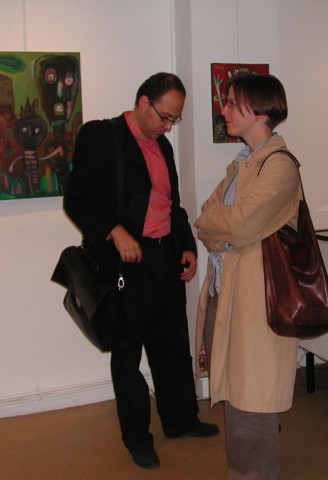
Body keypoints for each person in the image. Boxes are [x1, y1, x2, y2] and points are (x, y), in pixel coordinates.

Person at [63, 72, 219, 470]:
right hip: (126, 264)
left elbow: (172, 204)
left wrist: (186, 246)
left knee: (172, 345)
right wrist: (113, 231)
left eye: (175, 119)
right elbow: (77, 199)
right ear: (143, 103)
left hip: (165, 259)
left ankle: (181, 420)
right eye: (165, 117)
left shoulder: (162, 146)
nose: (169, 126)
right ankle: (137, 438)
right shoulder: (103, 136)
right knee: (128, 353)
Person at [195, 73, 301, 479]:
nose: (223, 109)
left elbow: (239, 224)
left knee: (252, 408)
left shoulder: (280, 166)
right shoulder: (241, 163)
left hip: (256, 305)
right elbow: (205, 218)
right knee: (237, 404)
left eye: (231, 102)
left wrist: (224, 230)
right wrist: (225, 231)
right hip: (225, 295)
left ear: (258, 111)